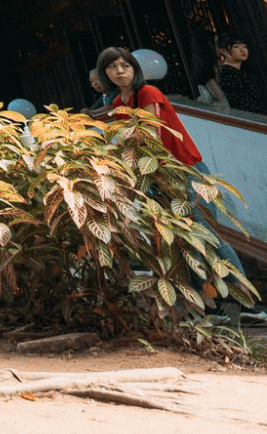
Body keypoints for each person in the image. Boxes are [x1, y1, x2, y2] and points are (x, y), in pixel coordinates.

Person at [97, 46, 258, 319]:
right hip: (157, 176)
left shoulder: (148, 93)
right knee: (180, 241)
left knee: (207, 235)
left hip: (184, 170)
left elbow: (149, 135)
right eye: (113, 67)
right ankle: (209, 307)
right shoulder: (118, 105)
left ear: (135, 68)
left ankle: (247, 303)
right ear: (105, 74)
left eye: (125, 65)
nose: (120, 71)